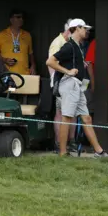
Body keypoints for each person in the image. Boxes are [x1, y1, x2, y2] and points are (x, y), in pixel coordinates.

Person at [46, 19, 108, 158]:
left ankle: (99, 151)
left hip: (77, 86)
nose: (87, 31)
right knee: (66, 118)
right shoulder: (68, 46)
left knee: (86, 118)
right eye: (84, 28)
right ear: (76, 28)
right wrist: (67, 71)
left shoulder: (78, 46)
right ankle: (63, 153)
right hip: (69, 84)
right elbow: (50, 61)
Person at [86, 23, 108, 122]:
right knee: (100, 110)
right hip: (101, 84)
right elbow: (89, 63)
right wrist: (93, 83)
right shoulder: (96, 42)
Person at [48, 19, 74, 152]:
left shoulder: (69, 43)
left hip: (70, 83)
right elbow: (51, 64)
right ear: (69, 31)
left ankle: (70, 142)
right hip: (60, 83)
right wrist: (57, 83)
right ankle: (59, 143)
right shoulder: (57, 43)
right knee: (60, 113)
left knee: (71, 113)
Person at [0, 9, 36, 75]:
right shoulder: (1, 35)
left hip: (24, 73)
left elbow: (30, 53)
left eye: (22, 17)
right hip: (6, 73)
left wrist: (33, 66)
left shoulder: (27, 35)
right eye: (18, 17)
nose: (21, 19)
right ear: (11, 19)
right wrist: (5, 60)